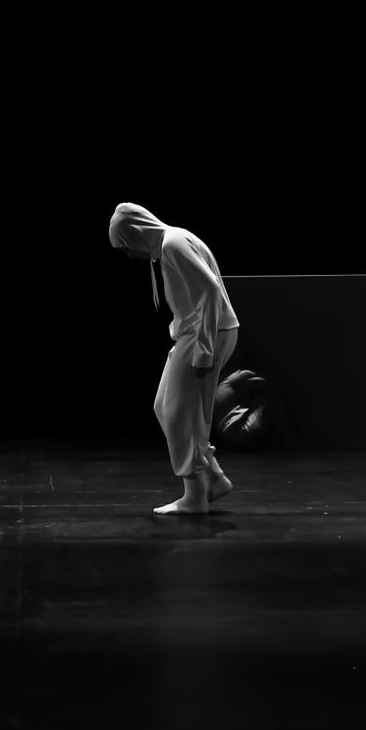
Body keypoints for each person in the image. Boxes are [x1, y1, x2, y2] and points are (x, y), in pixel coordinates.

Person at [108, 202, 240, 514]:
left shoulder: (172, 244)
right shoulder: (171, 243)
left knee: (179, 412)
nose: (129, 254)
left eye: (125, 245)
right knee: (164, 406)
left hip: (205, 334)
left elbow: (209, 290)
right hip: (197, 333)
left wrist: (204, 349)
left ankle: (195, 496)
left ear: (136, 233)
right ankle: (214, 477)